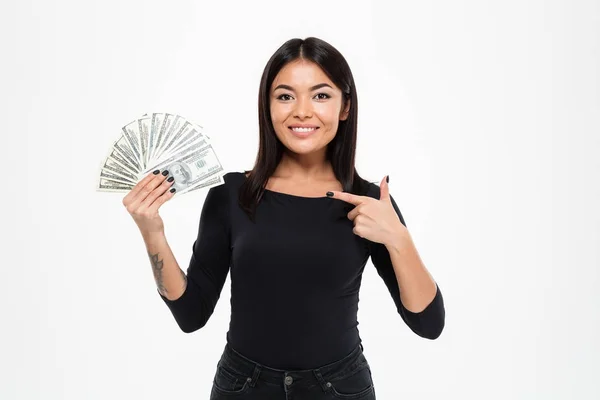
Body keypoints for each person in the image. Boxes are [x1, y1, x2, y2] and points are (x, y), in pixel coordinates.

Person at [123, 37, 445, 400]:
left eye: (321, 95)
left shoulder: (368, 202)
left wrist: (398, 239)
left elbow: (428, 323)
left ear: (345, 107)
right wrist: (152, 232)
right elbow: (190, 314)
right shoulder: (231, 194)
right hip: (243, 386)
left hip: (338, 388)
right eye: (286, 96)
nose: (302, 111)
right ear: (268, 106)